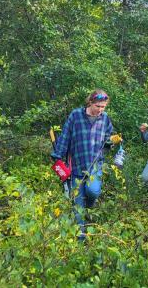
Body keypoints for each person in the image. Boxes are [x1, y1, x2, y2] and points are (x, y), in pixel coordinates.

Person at [51, 89, 121, 240]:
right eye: (98, 106)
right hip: (76, 166)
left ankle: (89, 210)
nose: (100, 110)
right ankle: (80, 243)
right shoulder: (76, 115)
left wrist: (111, 142)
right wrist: (57, 156)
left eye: (103, 107)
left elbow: (109, 137)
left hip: (95, 166)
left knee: (93, 192)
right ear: (90, 102)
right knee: (77, 209)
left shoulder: (105, 118)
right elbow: (65, 136)